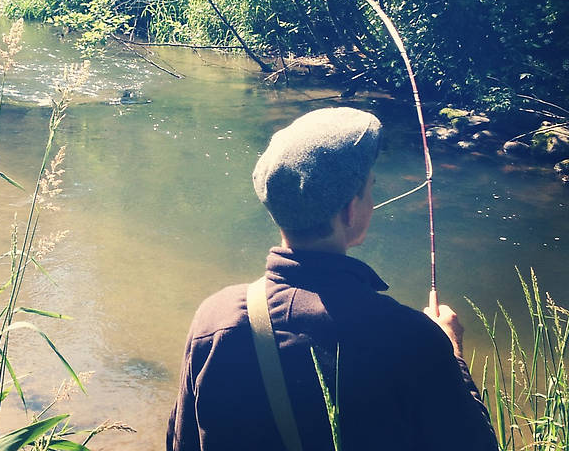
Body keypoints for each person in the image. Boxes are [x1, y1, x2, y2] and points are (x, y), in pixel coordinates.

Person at [166, 107, 499, 451]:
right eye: (370, 188)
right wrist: (451, 349)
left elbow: (182, 442)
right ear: (350, 212)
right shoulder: (412, 339)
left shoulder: (214, 320)